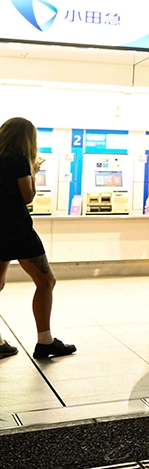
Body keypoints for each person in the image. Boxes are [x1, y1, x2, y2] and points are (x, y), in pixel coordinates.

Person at [0, 117, 75, 361]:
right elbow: (28, 196)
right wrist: (33, 170)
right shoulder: (19, 159)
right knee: (45, 282)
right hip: (18, 230)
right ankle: (45, 342)